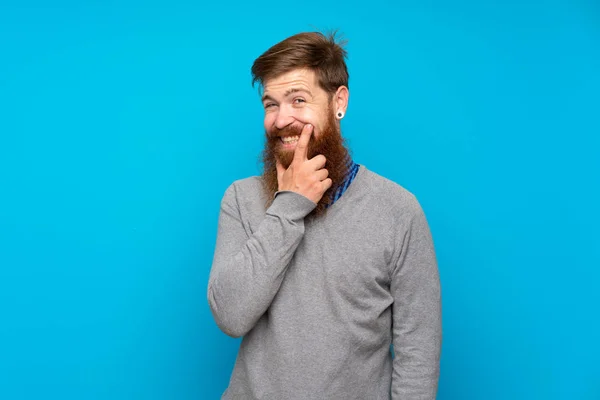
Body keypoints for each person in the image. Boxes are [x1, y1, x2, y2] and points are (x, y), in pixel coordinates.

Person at [207, 31, 442, 400]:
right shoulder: (241, 199)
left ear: (339, 102)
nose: (281, 119)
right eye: (271, 104)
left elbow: (419, 352)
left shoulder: (398, 210)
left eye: (298, 100)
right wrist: (289, 205)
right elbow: (231, 316)